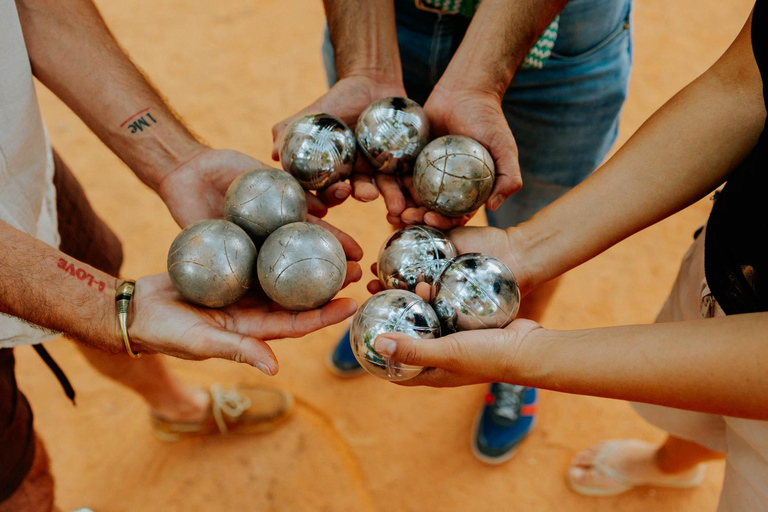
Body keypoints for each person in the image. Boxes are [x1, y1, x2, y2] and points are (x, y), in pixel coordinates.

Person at [365, 4, 767, 509]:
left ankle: (670, 465)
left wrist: (526, 359)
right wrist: (525, 249)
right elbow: (745, 86)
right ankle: (672, 464)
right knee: (695, 410)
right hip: (729, 257)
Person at [0, 0, 363, 509]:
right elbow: (112, 307)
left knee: (109, 294)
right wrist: (106, 306)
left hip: (17, 172)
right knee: (21, 483)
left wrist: (176, 161)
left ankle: (176, 408)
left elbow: (33, 8)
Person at [271, 0, 633, 463]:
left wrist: (479, 81)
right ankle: (398, 315)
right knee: (406, 207)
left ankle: (512, 350)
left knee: (545, 226)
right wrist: (367, 64)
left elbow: (540, 242)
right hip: (387, 19)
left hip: (558, 44)